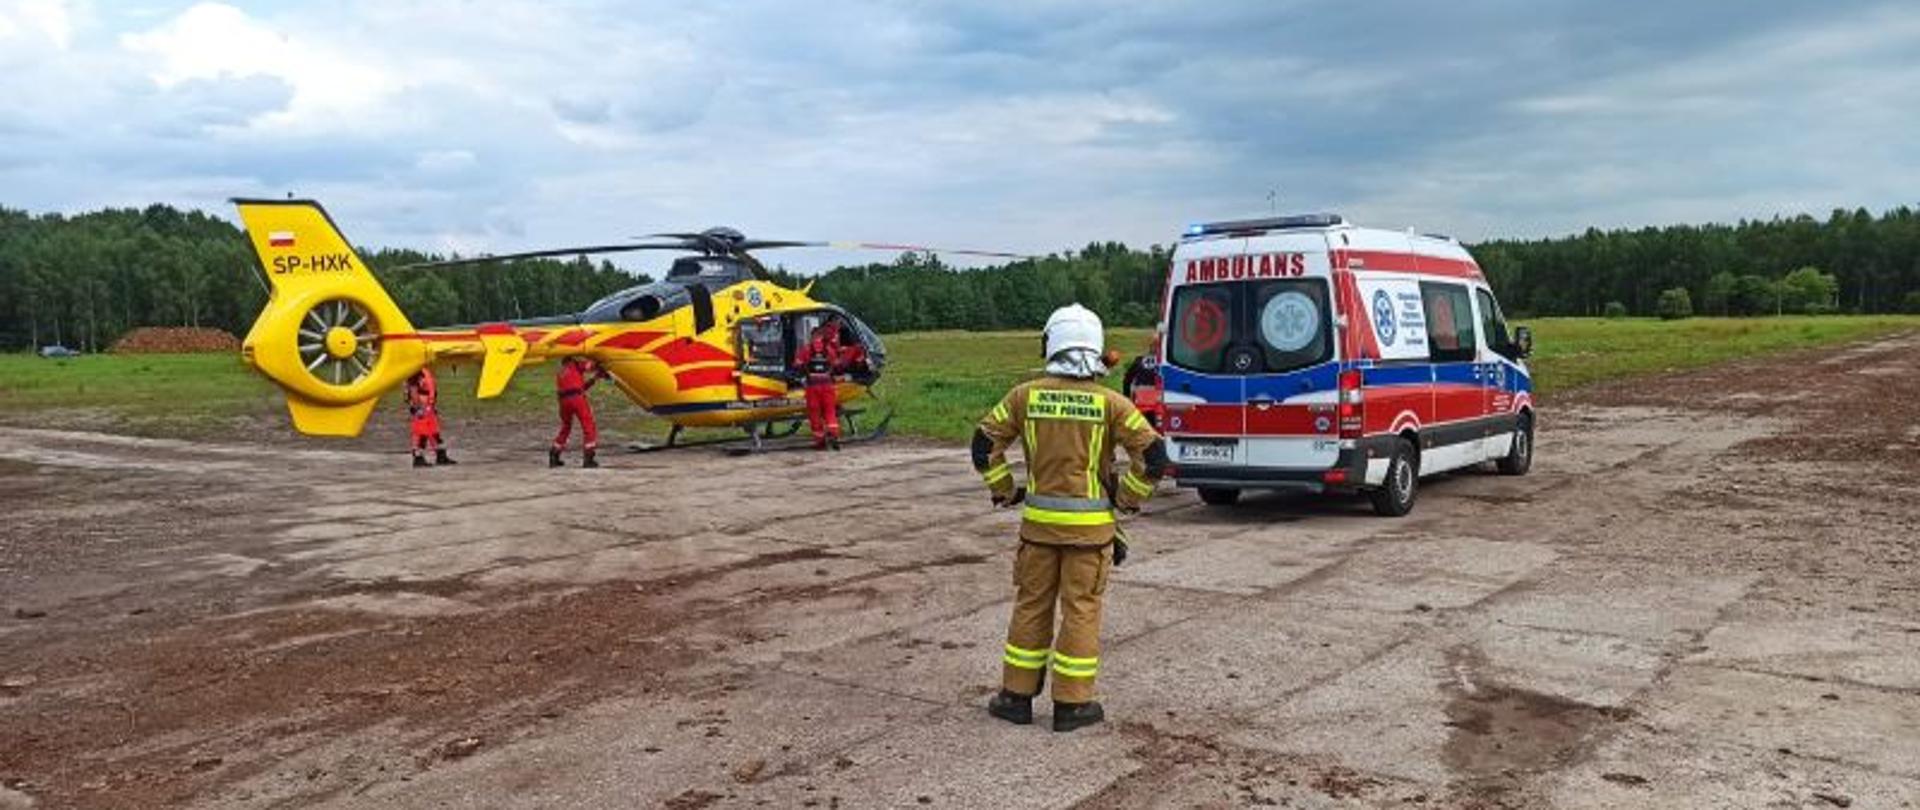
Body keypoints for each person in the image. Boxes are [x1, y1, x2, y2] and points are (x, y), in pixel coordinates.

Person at [971, 303, 1170, 732]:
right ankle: (1072, 707)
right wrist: (1129, 499)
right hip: (1091, 536)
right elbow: (1154, 457)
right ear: (1094, 347)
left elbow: (982, 444)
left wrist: (1005, 490)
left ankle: (1015, 698)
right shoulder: (1112, 404)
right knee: (1080, 611)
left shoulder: (1024, 396)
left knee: (1030, 606)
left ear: (1051, 343)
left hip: (1038, 531)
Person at [794, 320, 845, 450]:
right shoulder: (829, 350)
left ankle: (820, 441)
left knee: (815, 414)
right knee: (830, 412)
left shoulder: (805, 350)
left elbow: (797, 366)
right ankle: (833, 434)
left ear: (811, 337)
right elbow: (837, 365)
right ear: (821, 336)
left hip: (812, 387)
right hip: (827, 385)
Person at [551, 356, 609, 468]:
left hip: (563, 401)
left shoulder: (561, 373)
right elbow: (590, 366)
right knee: (588, 426)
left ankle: (554, 455)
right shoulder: (575, 365)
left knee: (566, 427)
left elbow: (578, 387)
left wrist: (594, 379)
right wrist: (602, 365)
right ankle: (588, 458)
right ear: (571, 360)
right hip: (576, 399)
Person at [404, 368, 454, 467]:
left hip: (428, 407)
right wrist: (418, 408)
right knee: (421, 433)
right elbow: (413, 390)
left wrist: (431, 406)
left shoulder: (423, 370)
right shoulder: (414, 370)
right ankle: (418, 458)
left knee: (434, 432)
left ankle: (441, 455)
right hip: (422, 407)